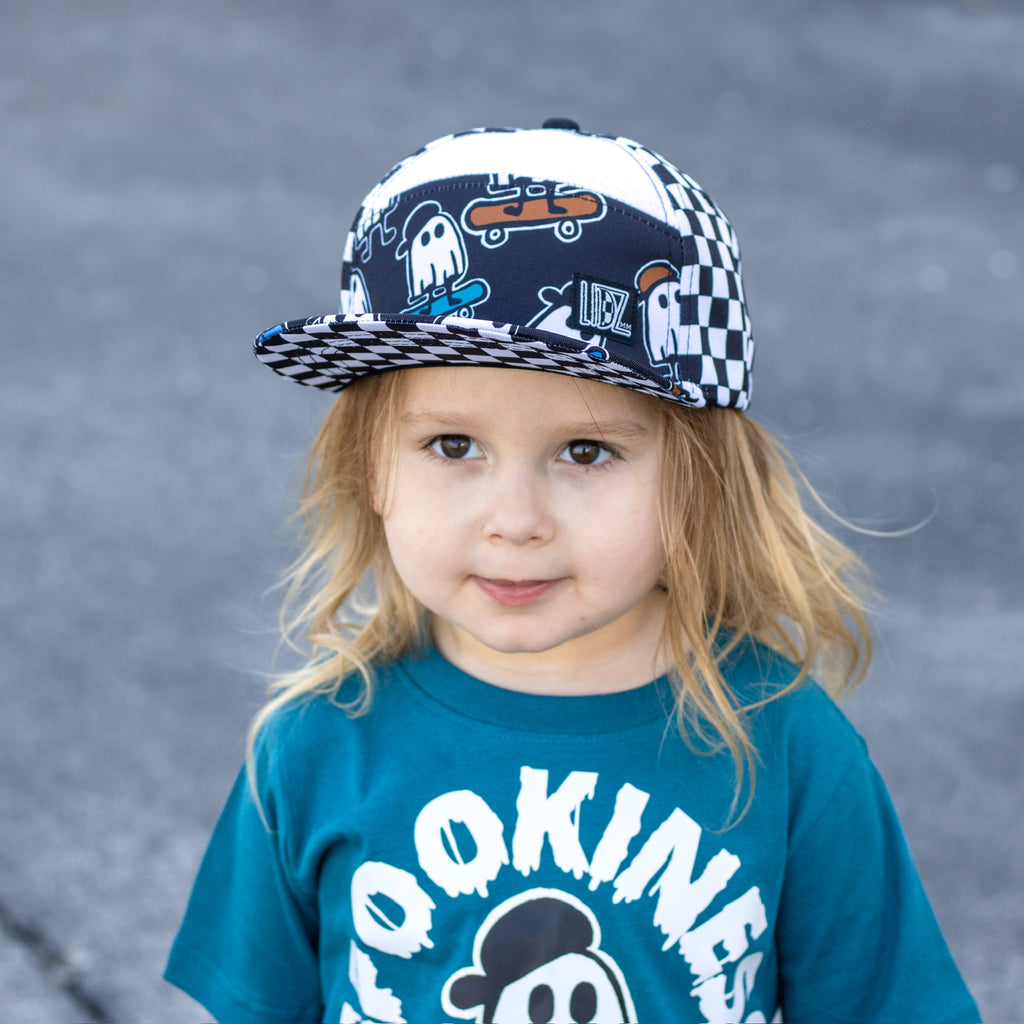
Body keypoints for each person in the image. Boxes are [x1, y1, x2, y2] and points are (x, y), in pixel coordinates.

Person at [164, 121, 980, 1024]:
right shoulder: (317, 744)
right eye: (453, 445)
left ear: (703, 479)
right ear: (368, 469)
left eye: (585, 451)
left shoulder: (785, 747)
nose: (516, 520)